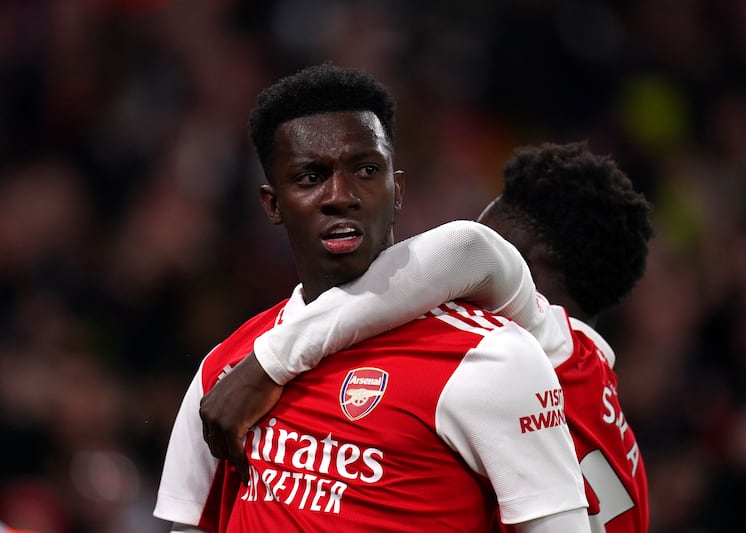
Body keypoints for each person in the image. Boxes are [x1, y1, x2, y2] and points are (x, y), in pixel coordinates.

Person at [153, 64, 590, 532]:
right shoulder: (224, 371)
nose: (341, 195)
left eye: (365, 170)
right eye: (309, 177)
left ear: (396, 190)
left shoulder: (492, 358)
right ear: (272, 204)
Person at [199, 142, 653, 532]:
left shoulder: (543, 336)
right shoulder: (621, 444)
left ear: (528, 254)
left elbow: (469, 249)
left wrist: (267, 363)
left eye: (487, 221)